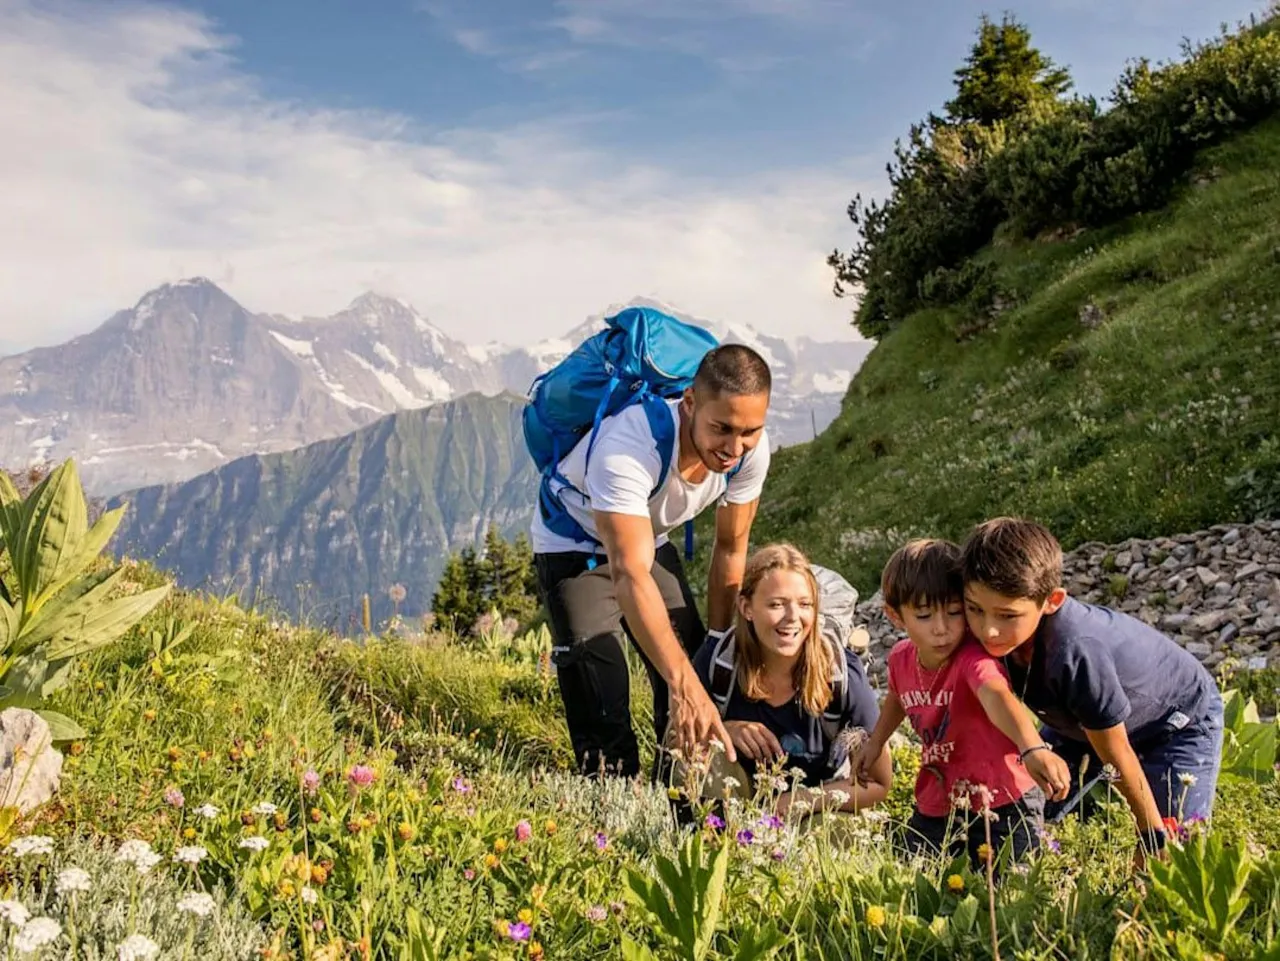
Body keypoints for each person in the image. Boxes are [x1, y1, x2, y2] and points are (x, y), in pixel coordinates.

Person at [531, 343, 773, 780]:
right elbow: (630, 574)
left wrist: (716, 648)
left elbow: (731, 549)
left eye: (749, 431)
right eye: (721, 428)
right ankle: (610, 790)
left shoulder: (750, 453)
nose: (733, 447)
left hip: (646, 536)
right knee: (601, 688)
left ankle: (678, 789)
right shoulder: (627, 448)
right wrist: (686, 685)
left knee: (693, 663)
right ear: (690, 402)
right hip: (574, 544)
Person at [959, 517, 1225, 864]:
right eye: (975, 609)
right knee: (1022, 810)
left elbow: (1117, 752)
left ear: (1052, 601)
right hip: (1079, 723)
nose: (988, 630)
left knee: (1171, 852)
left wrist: (1151, 834)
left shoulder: (1076, 653)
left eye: (1007, 616)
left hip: (1175, 724)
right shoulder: (992, 635)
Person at [859, 539, 1071, 868]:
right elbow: (898, 697)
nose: (942, 629)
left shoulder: (972, 657)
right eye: (924, 615)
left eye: (955, 612)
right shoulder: (901, 658)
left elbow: (995, 694)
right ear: (896, 616)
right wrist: (876, 742)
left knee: (1012, 883)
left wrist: (1032, 747)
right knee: (917, 875)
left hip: (1005, 799)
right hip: (940, 798)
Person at [690, 543, 891, 817]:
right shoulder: (719, 661)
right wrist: (725, 731)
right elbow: (678, 742)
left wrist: (801, 800)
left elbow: (878, 783)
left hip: (815, 803)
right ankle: (711, 839)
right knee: (702, 760)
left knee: (834, 834)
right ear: (747, 607)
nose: (793, 617)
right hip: (736, 800)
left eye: (805, 604)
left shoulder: (842, 673)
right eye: (776, 604)